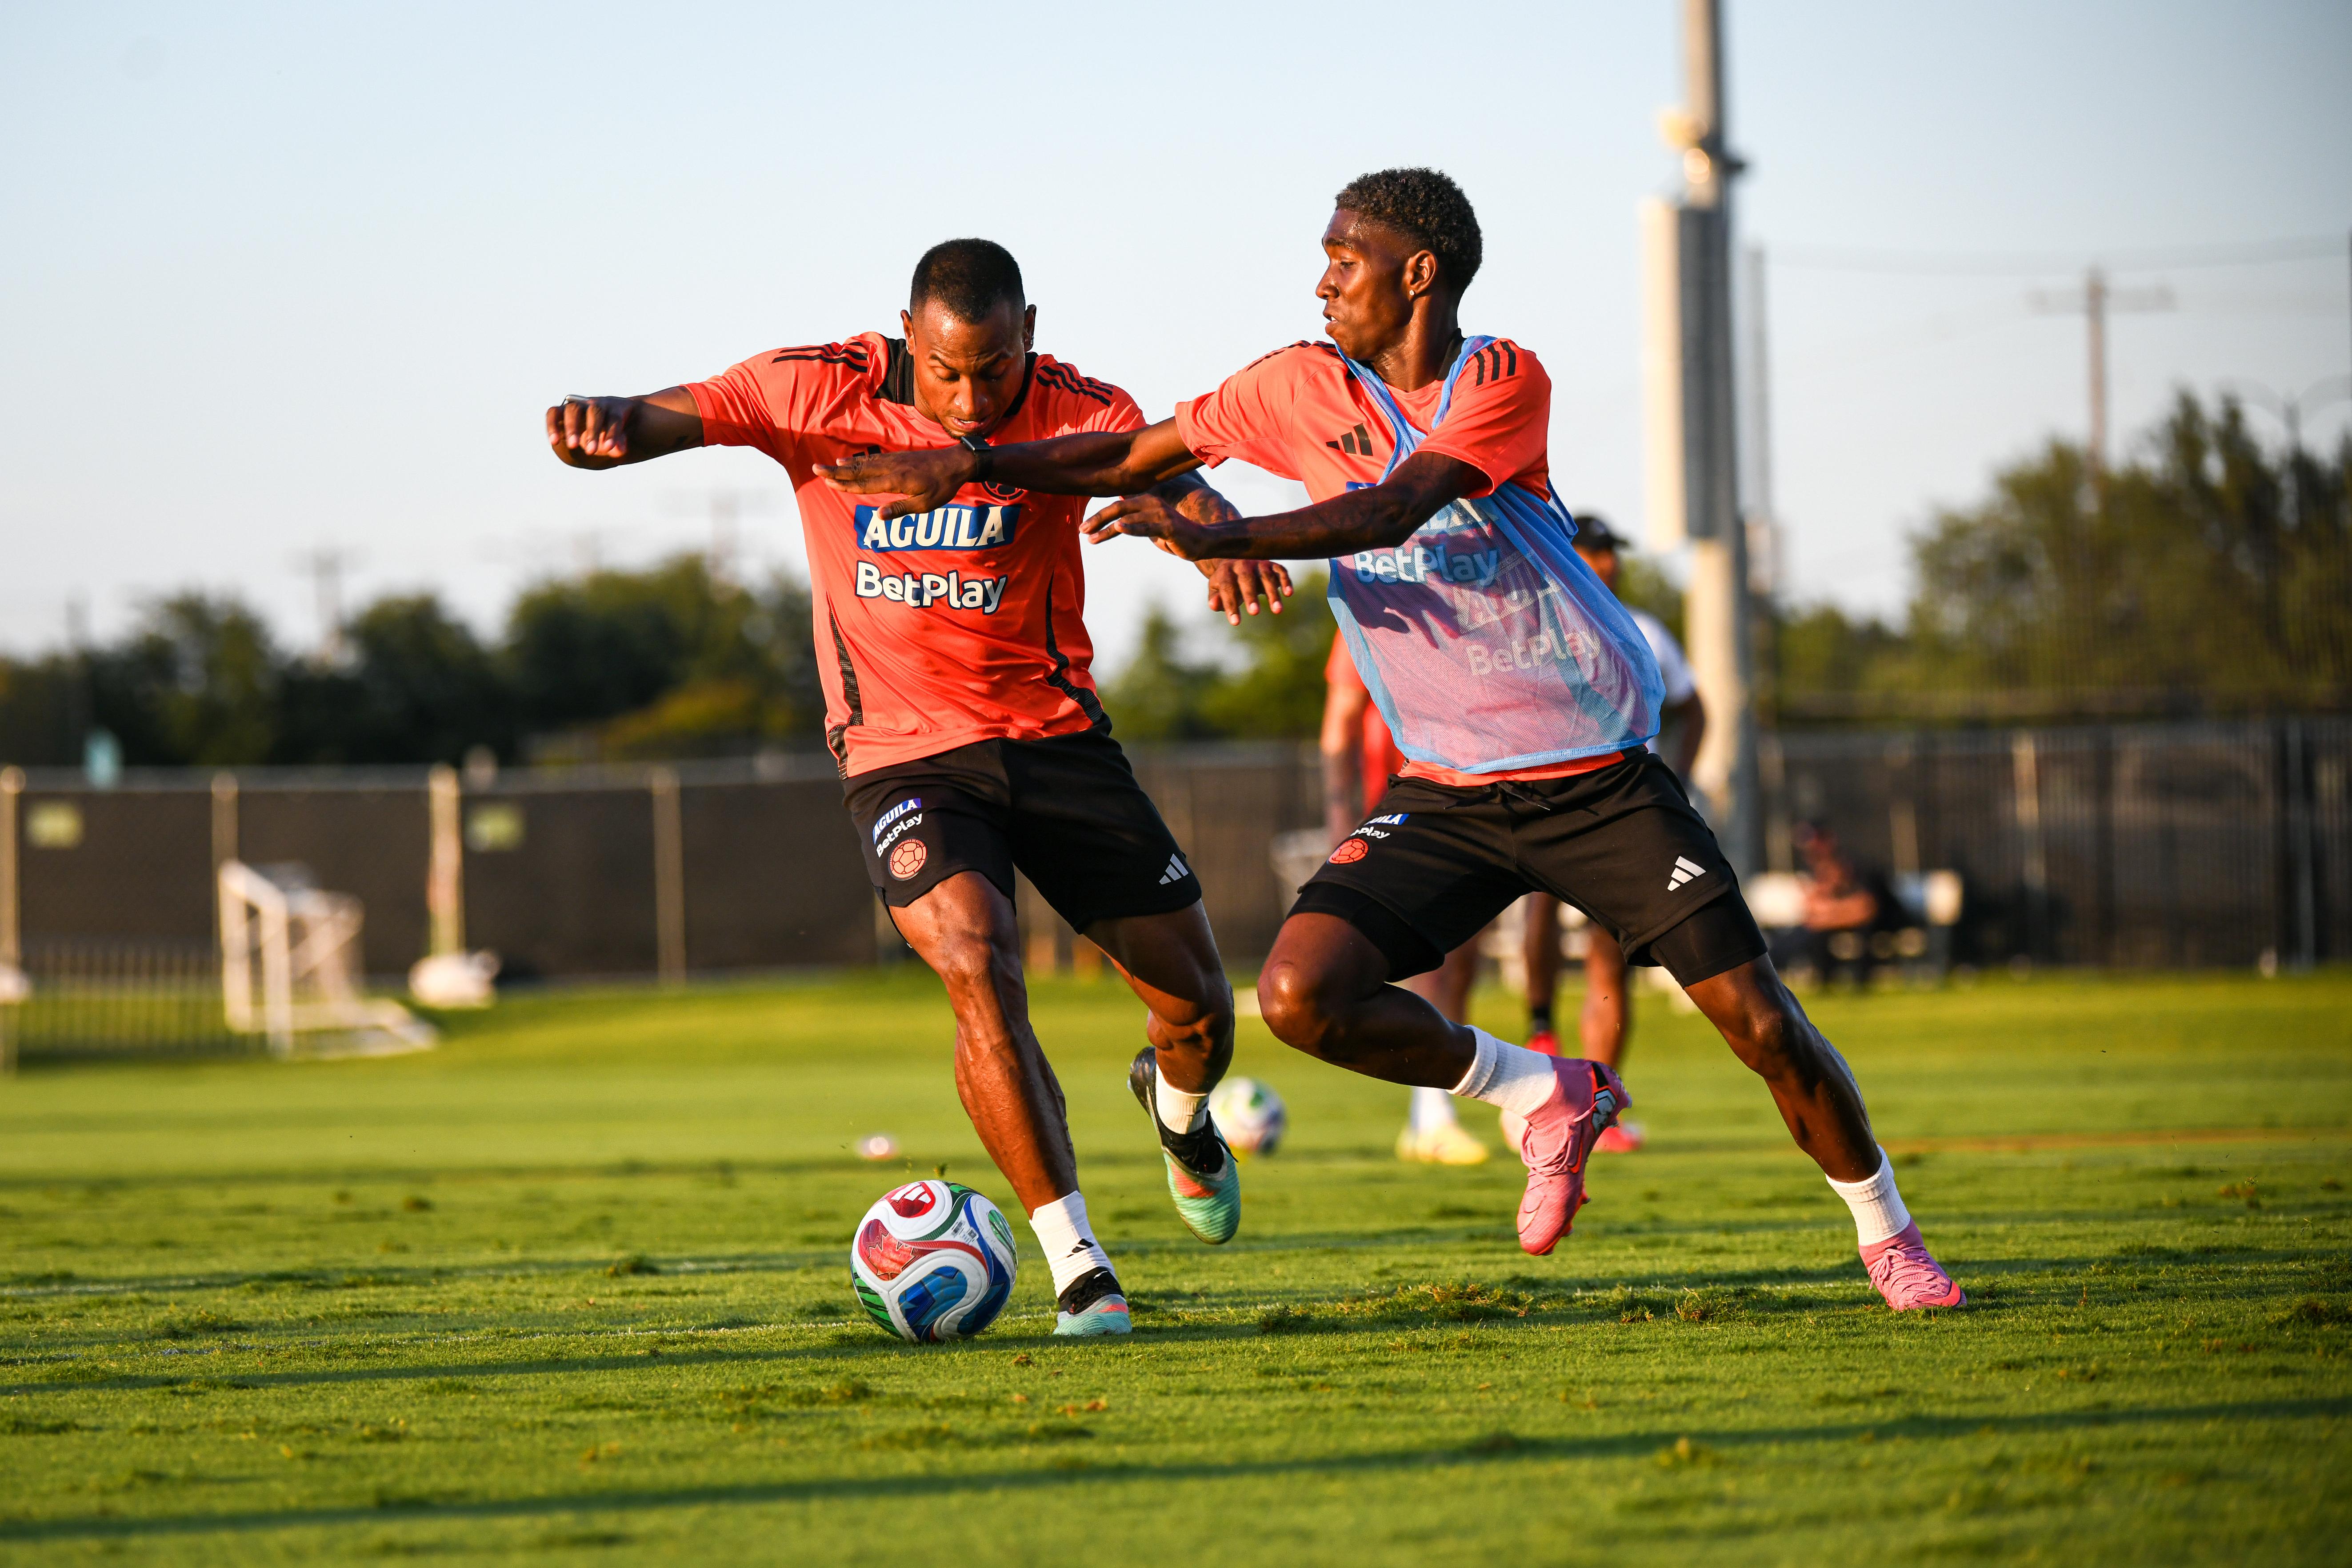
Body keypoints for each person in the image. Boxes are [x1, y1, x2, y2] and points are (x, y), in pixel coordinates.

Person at [820, 174, 1964, 1311]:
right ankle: (1541, 1094)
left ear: (1418, 274)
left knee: (1762, 1022)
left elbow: (1391, 509)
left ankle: (1889, 1234)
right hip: (1449, 793)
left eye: (1345, 257)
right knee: (1300, 997)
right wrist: (974, 466)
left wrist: (1235, 531)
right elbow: (1132, 455)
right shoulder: (1293, 383)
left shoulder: (1502, 379)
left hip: (1598, 785)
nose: (1323, 279)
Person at [545, 238, 1295, 1337]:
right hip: (903, 753)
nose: (970, 395)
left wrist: (1208, 533)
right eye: (946, 370)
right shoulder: (815, 386)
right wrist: (602, 427)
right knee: (976, 959)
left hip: (1056, 740)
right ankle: (1077, 1261)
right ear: (908, 336)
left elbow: (1154, 466)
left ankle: (1179, 1115)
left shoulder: (1075, 405)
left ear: (1029, 332)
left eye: (994, 368)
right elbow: (663, 415)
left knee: (1197, 1011)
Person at [1516, 513, 1705, 1154]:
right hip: (1548, 796)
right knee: (1539, 905)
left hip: (1622, 805)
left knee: (1610, 952)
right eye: (1594, 552)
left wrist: (1677, 777)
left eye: (1611, 552)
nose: (1608, 563)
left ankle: (1600, 1100)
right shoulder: (1534, 623)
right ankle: (1541, 1030)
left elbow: (1692, 705)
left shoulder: (1643, 628)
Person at [1322, 631, 1487, 1165]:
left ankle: (1429, 1114)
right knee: (1429, 962)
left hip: (1473, 798)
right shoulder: (1369, 609)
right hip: (1403, 804)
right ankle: (1433, 1116)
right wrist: (1341, 820)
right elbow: (1339, 727)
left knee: (1463, 962)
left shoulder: (1471, 608)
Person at [1774, 821, 1904, 987]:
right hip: (1840, 922)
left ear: (1828, 840)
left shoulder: (1856, 866)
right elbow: (1811, 907)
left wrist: (1827, 918)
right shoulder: (1818, 870)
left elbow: (1865, 910)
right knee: (1799, 936)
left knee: (1857, 934)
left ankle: (1861, 986)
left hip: (1882, 921)